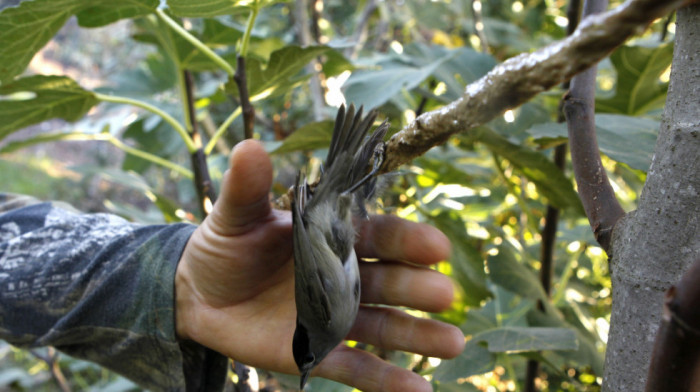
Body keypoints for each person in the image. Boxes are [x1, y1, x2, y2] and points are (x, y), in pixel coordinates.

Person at [0, 140, 465, 392]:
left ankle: (364, 165)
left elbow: (321, 255)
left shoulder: (327, 320)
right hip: (327, 233)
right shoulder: (330, 322)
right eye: (307, 362)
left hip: (322, 232)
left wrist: (179, 286)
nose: (309, 362)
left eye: (307, 358)